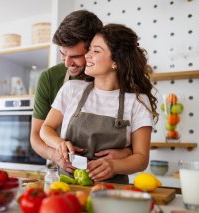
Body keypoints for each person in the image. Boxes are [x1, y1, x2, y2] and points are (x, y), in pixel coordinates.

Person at [40, 23, 159, 184]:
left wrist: (114, 166)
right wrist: (59, 143)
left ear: (116, 62)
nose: (87, 55)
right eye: (89, 49)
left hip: (111, 190)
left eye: (96, 51)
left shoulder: (137, 101)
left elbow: (141, 159)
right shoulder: (71, 89)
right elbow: (45, 130)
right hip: (66, 186)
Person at [30, 10, 132, 173]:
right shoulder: (51, 78)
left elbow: (137, 144)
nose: (67, 64)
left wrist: (127, 152)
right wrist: (56, 156)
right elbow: (36, 135)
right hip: (64, 174)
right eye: (63, 54)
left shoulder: (121, 81)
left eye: (76, 56)